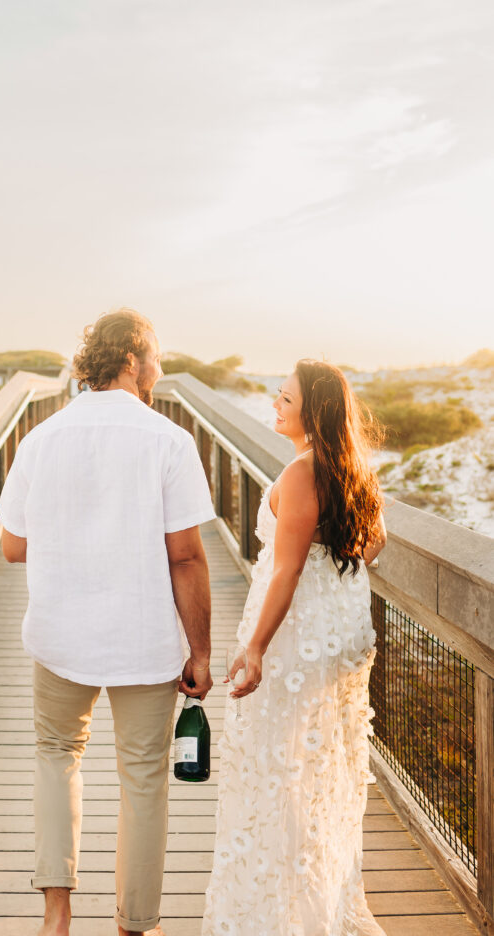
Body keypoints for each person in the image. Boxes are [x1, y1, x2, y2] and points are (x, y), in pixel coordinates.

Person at [0, 309, 215, 936]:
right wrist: (199, 653)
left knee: (55, 757)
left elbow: (13, 546)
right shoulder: (167, 440)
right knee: (143, 778)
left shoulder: (42, 438)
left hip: (60, 635)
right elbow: (187, 555)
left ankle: (57, 916)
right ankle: (133, 925)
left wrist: (75, 542)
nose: (163, 371)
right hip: (143, 639)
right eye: (158, 359)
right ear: (135, 358)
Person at [202, 360, 387, 936]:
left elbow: (283, 571)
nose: (275, 405)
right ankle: (313, 900)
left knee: (278, 767)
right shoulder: (349, 467)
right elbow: (372, 544)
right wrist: (327, 580)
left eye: (286, 399)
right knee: (315, 767)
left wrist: (255, 646)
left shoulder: (304, 472)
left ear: (315, 411)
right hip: (330, 635)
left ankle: (281, 915)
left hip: (296, 643)